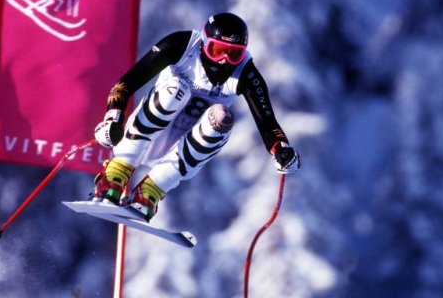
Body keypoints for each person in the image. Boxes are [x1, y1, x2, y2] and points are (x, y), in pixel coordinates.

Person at [92, 12, 300, 221]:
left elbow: (267, 122)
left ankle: (149, 193)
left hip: (187, 142)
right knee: (175, 90)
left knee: (222, 118)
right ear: (203, 43)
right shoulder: (180, 45)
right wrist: (113, 117)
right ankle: (114, 177)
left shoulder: (246, 73)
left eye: (233, 54)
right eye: (217, 50)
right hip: (147, 130)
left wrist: (281, 150)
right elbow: (126, 84)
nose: (223, 61)